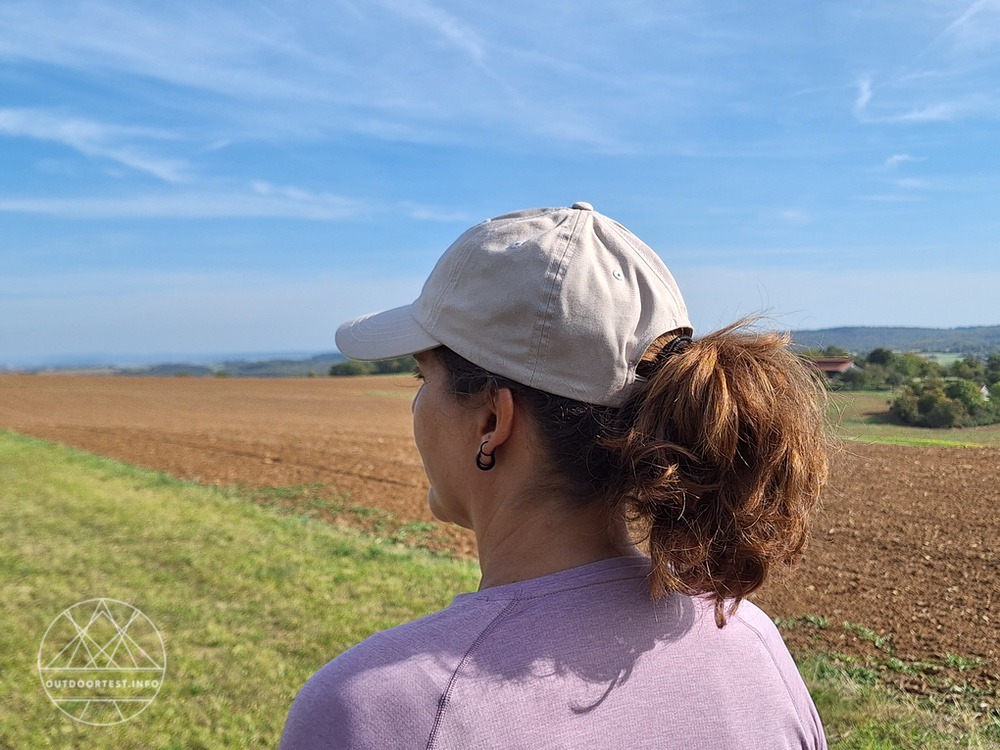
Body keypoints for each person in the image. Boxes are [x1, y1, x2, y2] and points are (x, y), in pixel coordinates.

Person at [280, 202, 829, 749]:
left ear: (492, 419)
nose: (418, 401)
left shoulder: (377, 710)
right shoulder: (752, 645)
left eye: (422, 375)